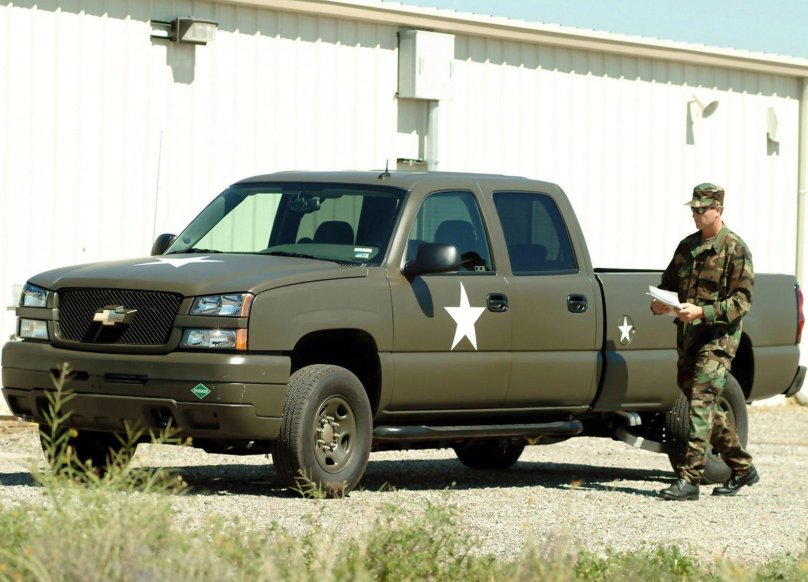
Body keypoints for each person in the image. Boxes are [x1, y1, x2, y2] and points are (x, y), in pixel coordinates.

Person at [651, 183, 759, 501]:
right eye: (693, 209)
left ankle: (690, 479)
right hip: (688, 339)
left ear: (718, 210)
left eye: (702, 209)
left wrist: (703, 312)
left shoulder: (735, 249)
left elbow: (742, 302)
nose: (696, 215)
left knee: (700, 401)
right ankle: (742, 467)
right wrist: (661, 304)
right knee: (706, 406)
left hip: (718, 339)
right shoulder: (687, 247)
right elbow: (668, 285)